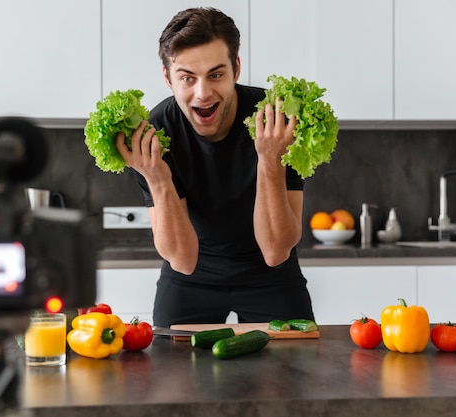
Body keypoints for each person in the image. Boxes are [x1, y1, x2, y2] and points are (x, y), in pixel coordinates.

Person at [116, 7, 315, 327]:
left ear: (236, 69)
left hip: (271, 276)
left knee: (289, 372)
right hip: (191, 278)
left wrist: (270, 159)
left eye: (216, 74)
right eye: (187, 78)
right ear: (168, 78)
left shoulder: (275, 120)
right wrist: (157, 177)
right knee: (172, 371)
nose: (203, 93)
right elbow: (181, 259)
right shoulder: (155, 132)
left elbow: (276, 251)